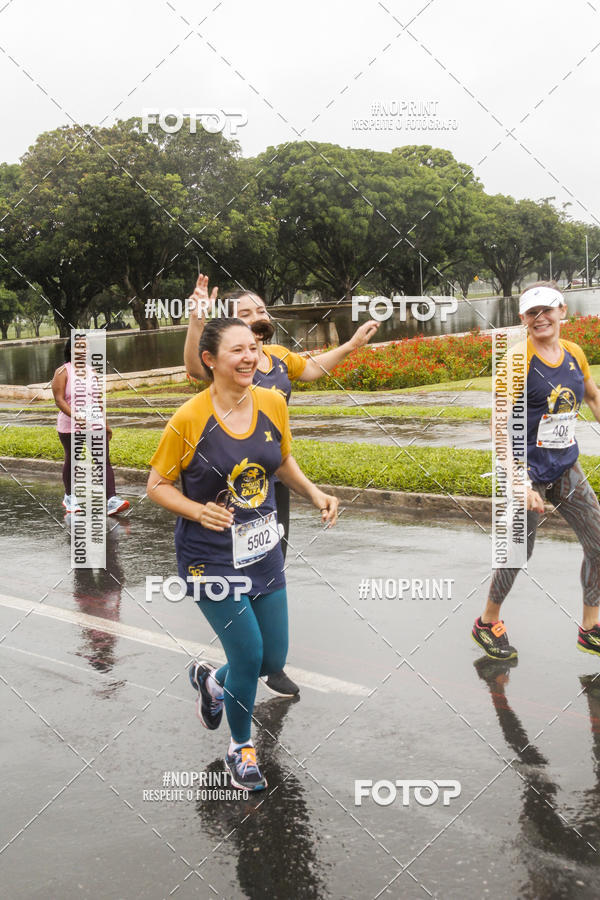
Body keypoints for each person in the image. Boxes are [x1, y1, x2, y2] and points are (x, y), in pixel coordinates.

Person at [148, 317, 339, 791]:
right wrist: (197, 510)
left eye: (253, 348)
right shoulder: (190, 418)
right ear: (209, 360)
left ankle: (213, 684)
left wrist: (315, 494)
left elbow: (282, 461)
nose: (250, 357)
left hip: (262, 551)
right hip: (208, 558)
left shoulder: (273, 401)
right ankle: (240, 747)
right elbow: (156, 485)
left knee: (273, 656)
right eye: (237, 351)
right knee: (249, 654)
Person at [183, 274, 378, 696]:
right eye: (245, 313)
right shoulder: (228, 363)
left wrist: (353, 344)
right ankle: (247, 659)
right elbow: (193, 368)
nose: (258, 318)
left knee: (270, 558)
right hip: (227, 484)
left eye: (261, 310)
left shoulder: (277, 357)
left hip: (270, 481)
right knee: (234, 563)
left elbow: (313, 369)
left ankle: (267, 665)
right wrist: (197, 320)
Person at [472, 282, 600, 659]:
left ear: (562, 310)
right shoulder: (516, 361)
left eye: (547, 309)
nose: (540, 317)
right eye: (532, 312)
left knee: (599, 543)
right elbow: (497, 427)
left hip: (564, 465)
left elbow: (591, 396)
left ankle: (591, 628)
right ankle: (486, 621)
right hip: (524, 471)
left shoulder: (574, 352)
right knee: (517, 553)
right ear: (523, 319)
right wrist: (518, 481)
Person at [52, 340, 130, 516]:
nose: (84, 350)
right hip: (70, 426)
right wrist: (76, 416)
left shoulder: (92, 372)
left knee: (103, 460)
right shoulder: (62, 372)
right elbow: (59, 400)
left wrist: (106, 424)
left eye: (86, 347)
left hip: (94, 423)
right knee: (73, 460)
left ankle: (111, 500)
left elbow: (98, 402)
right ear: (70, 350)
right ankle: (70, 496)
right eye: (79, 346)